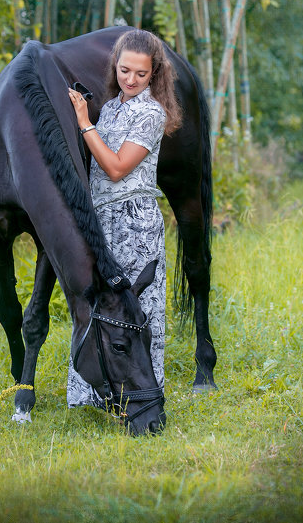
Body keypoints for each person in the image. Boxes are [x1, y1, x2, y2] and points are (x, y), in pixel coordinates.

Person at [66, 28, 181, 409]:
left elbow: (115, 168)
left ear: (155, 74)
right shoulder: (113, 107)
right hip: (102, 220)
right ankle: (93, 395)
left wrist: (84, 121)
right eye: (124, 70)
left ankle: (144, 395)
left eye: (141, 74)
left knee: (137, 311)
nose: (130, 80)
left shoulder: (150, 112)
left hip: (135, 222)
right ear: (115, 66)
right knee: (101, 305)